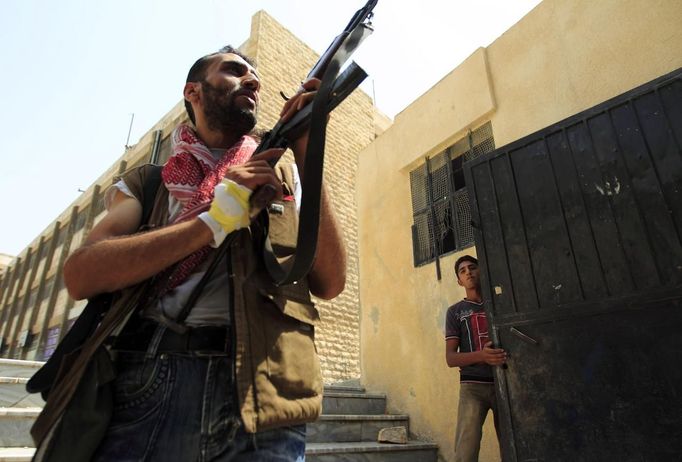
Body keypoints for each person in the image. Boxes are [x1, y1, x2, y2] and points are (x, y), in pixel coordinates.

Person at [62, 45, 346, 461]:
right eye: (234, 70)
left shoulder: (285, 171)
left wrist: (306, 145)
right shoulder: (150, 182)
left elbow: (330, 282)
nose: (253, 80)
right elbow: (81, 274)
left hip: (265, 394)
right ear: (193, 91)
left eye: (255, 76)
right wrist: (210, 222)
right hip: (150, 380)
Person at [445, 255, 506, 462]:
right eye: (462, 271)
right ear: (459, 281)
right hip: (472, 388)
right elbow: (451, 358)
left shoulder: (500, 303)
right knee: (465, 452)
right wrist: (482, 355)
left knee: (514, 445)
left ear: (481, 271)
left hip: (505, 383)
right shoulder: (455, 312)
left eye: (472, 267)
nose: (468, 272)